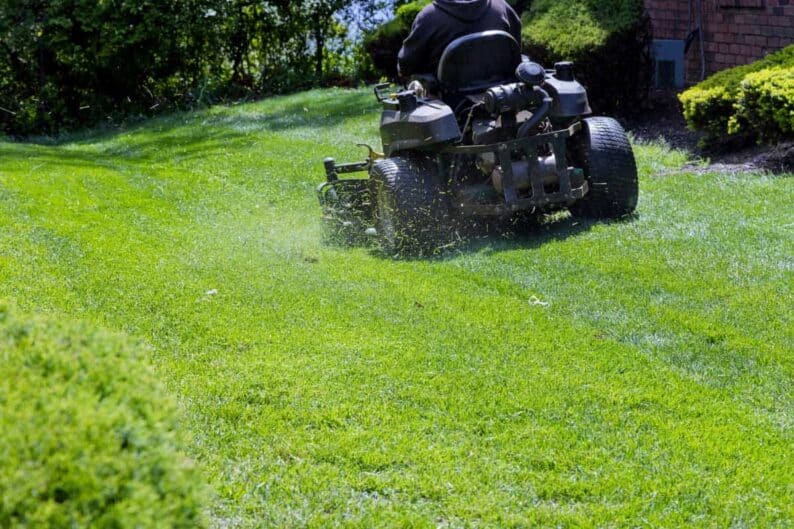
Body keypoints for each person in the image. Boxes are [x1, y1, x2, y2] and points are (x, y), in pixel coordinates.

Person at [397, 0, 523, 79]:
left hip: (449, 106)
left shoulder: (428, 16)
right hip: (502, 95)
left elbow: (406, 66)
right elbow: (516, 53)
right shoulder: (501, 6)